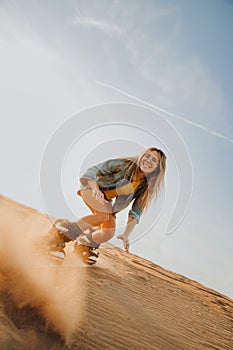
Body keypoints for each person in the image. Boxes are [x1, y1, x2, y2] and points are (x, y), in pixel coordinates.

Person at [46, 147, 166, 264]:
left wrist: (126, 235)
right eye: (147, 156)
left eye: (154, 160)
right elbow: (93, 170)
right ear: (141, 156)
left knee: (108, 232)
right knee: (102, 216)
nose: (148, 160)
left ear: (157, 168)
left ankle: (85, 243)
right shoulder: (123, 165)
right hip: (91, 187)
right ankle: (59, 235)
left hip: (106, 200)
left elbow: (136, 212)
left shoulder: (144, 187)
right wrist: (95, 189)